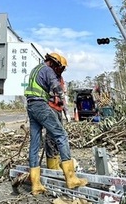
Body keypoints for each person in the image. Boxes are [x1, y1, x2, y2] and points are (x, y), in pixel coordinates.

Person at [25, 53, 87, 195]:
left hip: (31, 106)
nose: (59, 70)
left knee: (35, 143)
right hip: (40, 106)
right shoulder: (48, 70)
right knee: (61, 135)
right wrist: (63, 98)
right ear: (54, 63)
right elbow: (56, 87)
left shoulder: (36, 69)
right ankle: (71, 178)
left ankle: (36, 184)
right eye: (59, 67)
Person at [44, 54, 68, 170]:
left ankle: (57, 159)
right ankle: (51, 163)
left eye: (63, 68)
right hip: (50, 107)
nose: (61, 70)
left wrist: (66, 111)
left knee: (60, 135)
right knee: (51, 136)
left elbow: (63, 96)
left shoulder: (61, 79)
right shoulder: (49, 76)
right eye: (60, 67)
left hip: (59, 109)